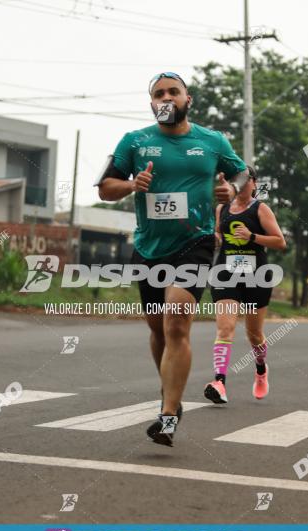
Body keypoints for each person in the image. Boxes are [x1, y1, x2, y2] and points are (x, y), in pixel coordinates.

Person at [96, 72, 249, 446]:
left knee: (177, 321)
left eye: (173, 92)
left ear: (187, 99)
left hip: (194, 242)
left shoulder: (212, 141)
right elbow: (104, 189)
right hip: (149, 246)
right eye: (158, 93)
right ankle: (172, 396)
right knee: (158, 328)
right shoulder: (135, 141)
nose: (166, 97)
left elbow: (245, 175)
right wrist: (133, 184)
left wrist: (230, 188)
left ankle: (168, 414)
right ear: (152, 103)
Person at [203, 165, 286, 404]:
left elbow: (280, 242)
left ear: (253, 183)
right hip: (226, 273)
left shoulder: (261, 209)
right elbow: (219, 236)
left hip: (256, 276)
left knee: (254, 334)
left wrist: (251, 237)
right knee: (225, 328)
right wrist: (212, 238)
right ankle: (219, 382)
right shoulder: (222, 208)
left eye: (243, 179)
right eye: (234, 179)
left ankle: (261, 370)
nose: (239, 183)